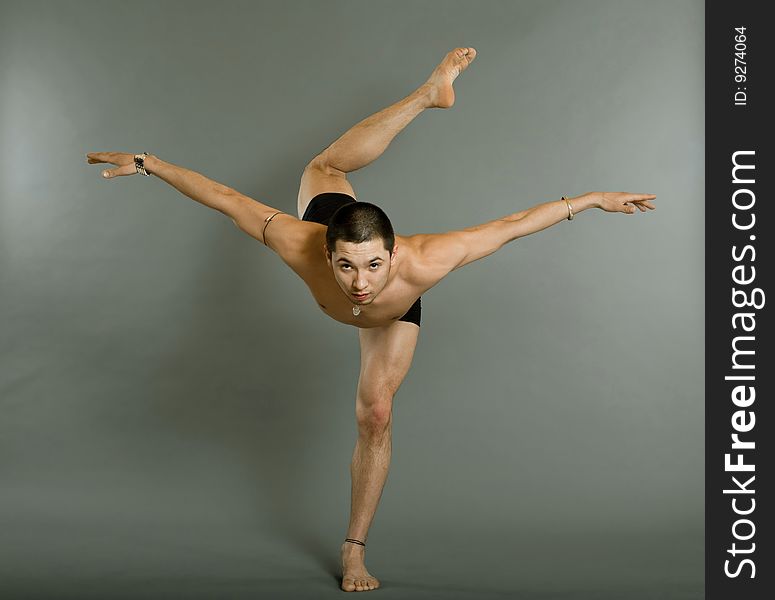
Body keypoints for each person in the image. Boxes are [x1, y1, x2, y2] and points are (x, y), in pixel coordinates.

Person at [87, 47, 656, 593]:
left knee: (376, 413)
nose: (360, 283)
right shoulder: (298, 239)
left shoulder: (426, 259)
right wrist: (146, 162)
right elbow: (222, 196)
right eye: (347, 267)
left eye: (373, 265)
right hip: (334, 216)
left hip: (395, 313)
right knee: (324, 167)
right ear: (326, 252)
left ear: (394, 252)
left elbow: (513, 223)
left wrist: (591, 198)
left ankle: (353, 545)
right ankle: (429, 93)